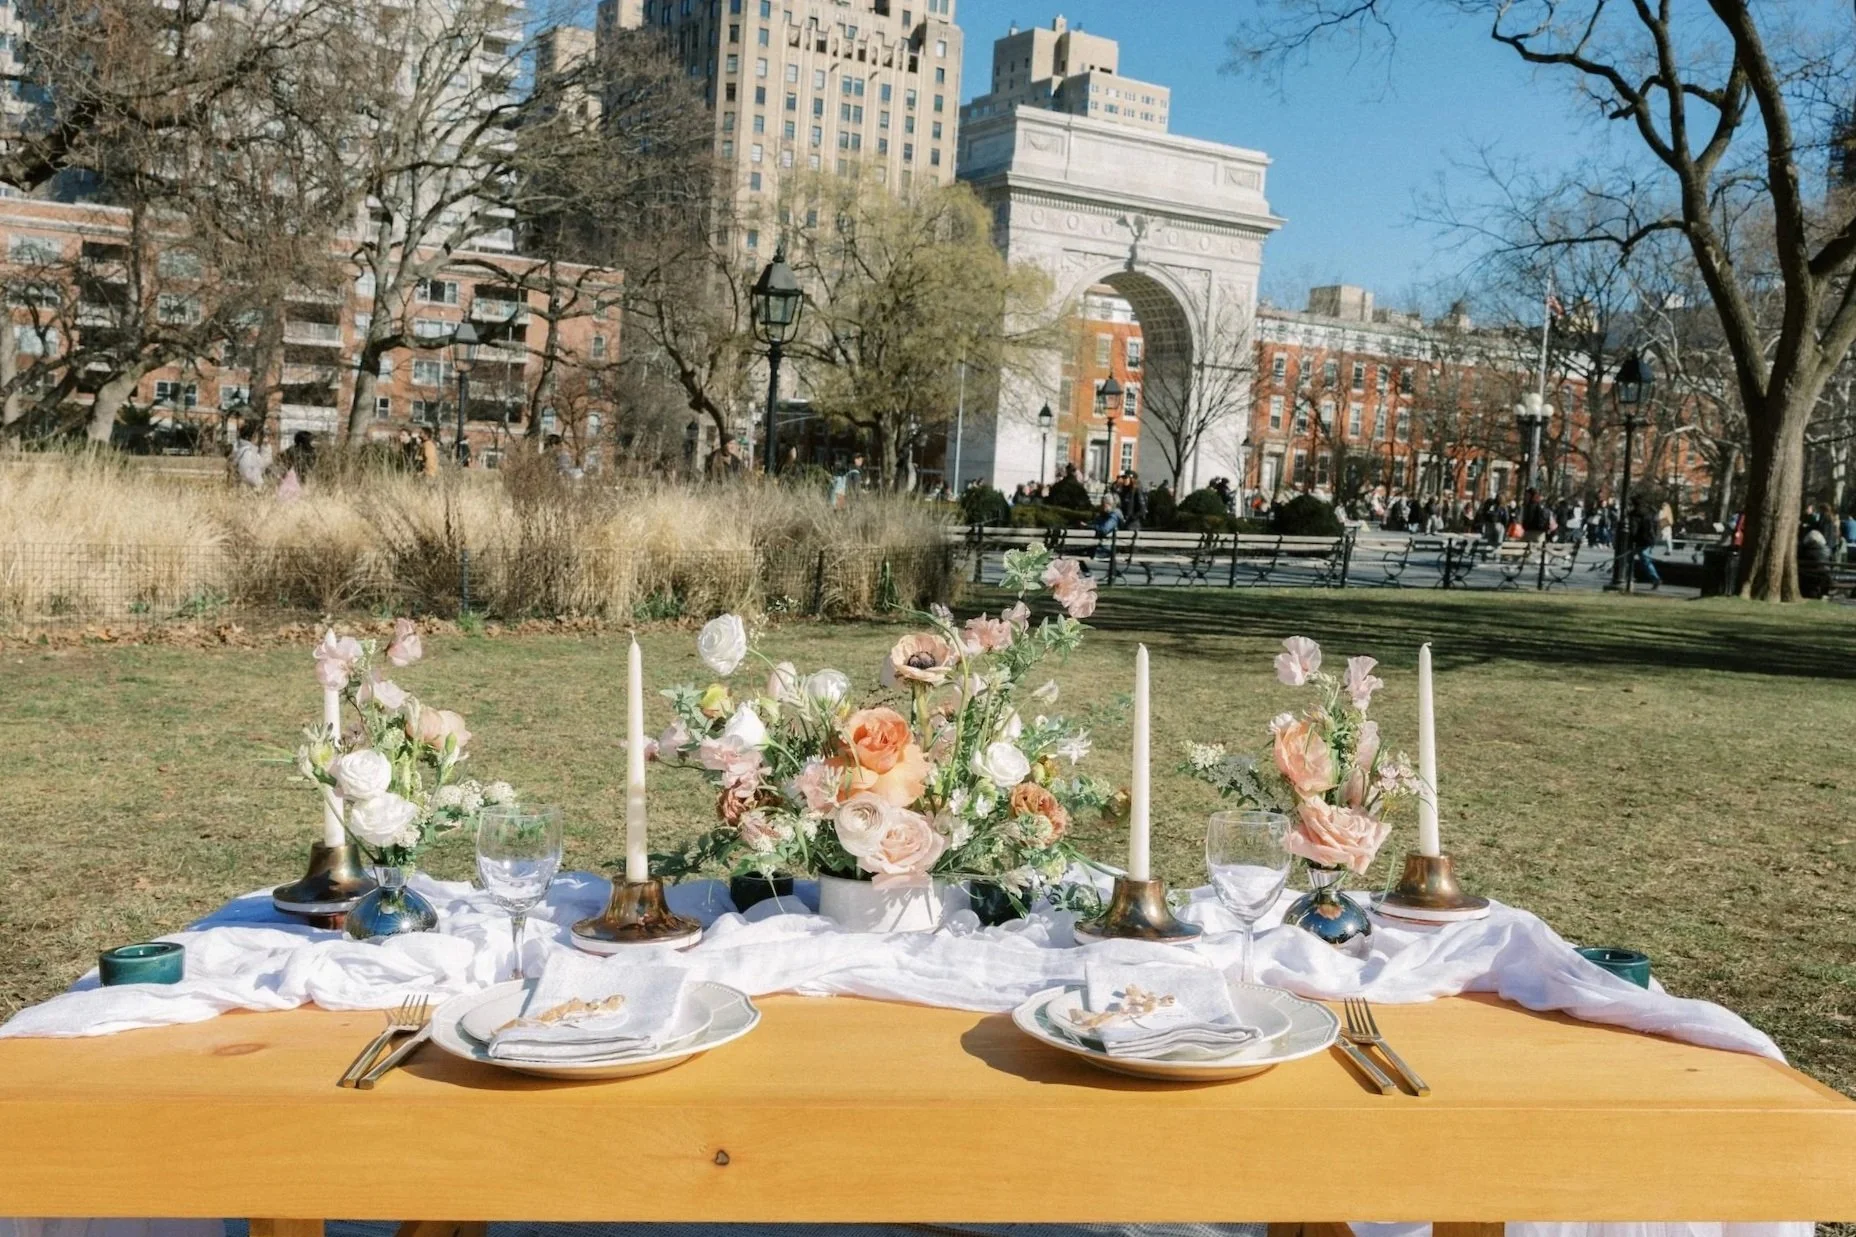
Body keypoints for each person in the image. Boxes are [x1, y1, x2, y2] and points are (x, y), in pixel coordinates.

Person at [230, 419, 271, 489]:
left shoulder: (242, 449)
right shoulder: (248, 454)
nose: (261, 438)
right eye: (260, 435)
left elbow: (264, 464)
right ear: (254, 436)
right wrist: (262, 486)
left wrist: (265, 446)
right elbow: (251, 476)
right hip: (249, 494)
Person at [1631, 499, 1662, 589]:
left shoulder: (1636, 514)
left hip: (1641, 540)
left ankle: (1655, 578)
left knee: (1642, 559)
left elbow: (1634, 528)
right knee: (1645, 559)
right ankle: (1655, 578)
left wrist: (1632, 538)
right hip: (1649, 540)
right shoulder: (1650, 512)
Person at [1799, 523, 1834, 598]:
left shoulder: (1803, 550)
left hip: (1806, 577)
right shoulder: (1827, 550)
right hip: (1823, 577)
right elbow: (1831, 564)